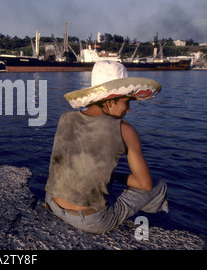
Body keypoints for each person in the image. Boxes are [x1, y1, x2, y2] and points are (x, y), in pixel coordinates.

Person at [45, 60, 169, 233]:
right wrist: (116, 177)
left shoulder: (65, 117)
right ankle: (151, 229)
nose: (129, 110)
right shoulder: (124, 130)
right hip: (89, 220)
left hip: (52, 204)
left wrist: (111, 176)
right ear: (110, 100)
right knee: (158, 184)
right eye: (127, 102)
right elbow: (145, 184)